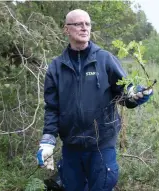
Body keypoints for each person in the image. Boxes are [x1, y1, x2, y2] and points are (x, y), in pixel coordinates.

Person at [37, 9, 153, 191]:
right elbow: (52, 108)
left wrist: (137, 94)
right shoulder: (56, 67)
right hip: (72, 147)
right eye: (78, 24)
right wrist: (48, 140)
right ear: (66, 29)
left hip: (101, 147)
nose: (84, 28)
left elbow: (125, 93)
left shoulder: (105, 59)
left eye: (88, 24)